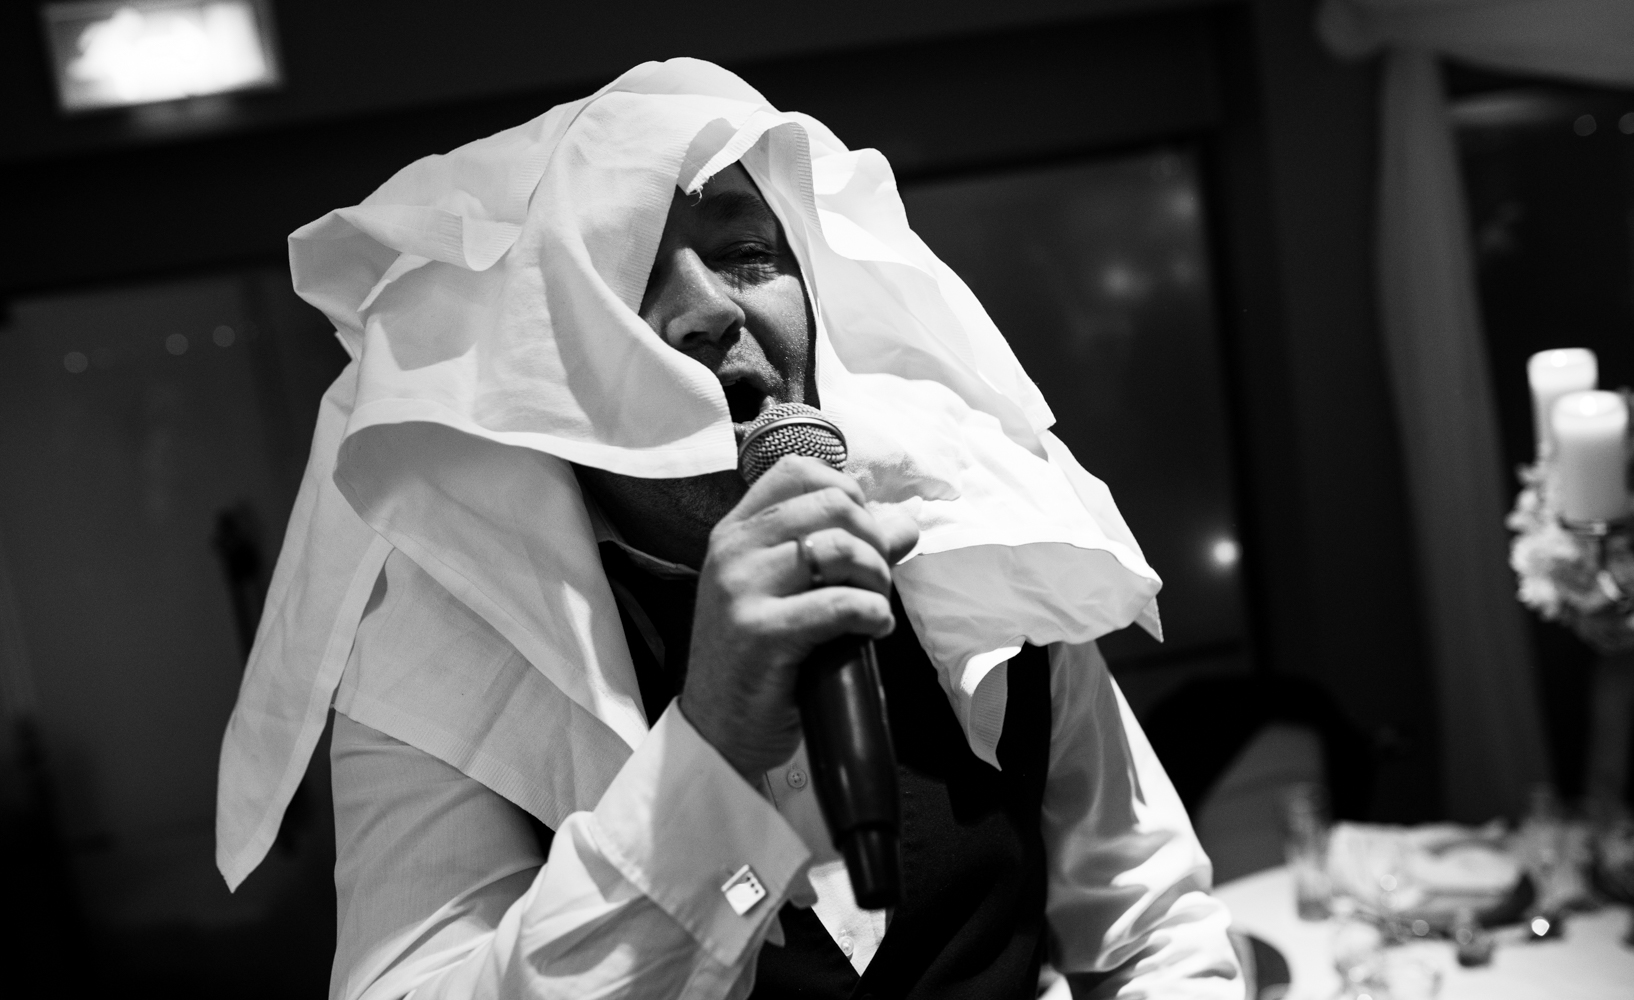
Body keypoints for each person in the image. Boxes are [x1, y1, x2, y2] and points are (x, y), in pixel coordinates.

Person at [215, 59, 1242, 999]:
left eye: (748, 253)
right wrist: (705, 747)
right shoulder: (440, 660)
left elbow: (1149, 923)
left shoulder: (973, 538)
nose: (708, 309)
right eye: (623, 281)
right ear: (540, 374)